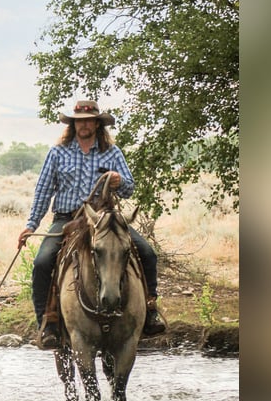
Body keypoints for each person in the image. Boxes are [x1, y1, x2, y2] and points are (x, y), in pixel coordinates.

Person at [18, 100, 167, 349]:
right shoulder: (58, 152)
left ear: (97, 124)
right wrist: (31, 225)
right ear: (73, 124)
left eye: (88, 120)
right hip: (67, 219)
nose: (83, 125)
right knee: (42, 262)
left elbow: (130, 189)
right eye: (79, 121)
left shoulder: (112, 152)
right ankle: (47, 323)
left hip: (104, 220)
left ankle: (150, 309)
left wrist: (120, 180)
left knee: (148, 253)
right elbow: (43, 191)